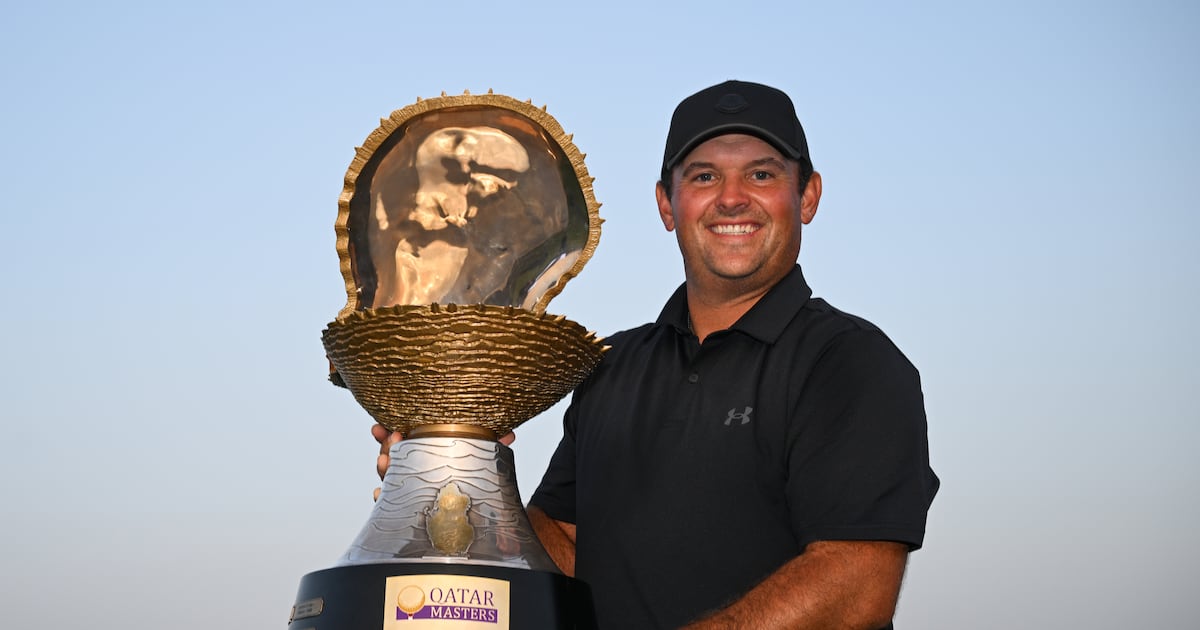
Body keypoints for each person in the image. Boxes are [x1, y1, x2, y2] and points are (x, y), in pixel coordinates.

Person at [375, 80, 938, 629]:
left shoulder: (850, 363)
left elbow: (856, 584)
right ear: (667, 205)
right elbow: (565, 546)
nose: (732, 197)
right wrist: (463, 478)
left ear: (807, 196)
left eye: (762, 174)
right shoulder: (611, 364)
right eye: (704, 176)